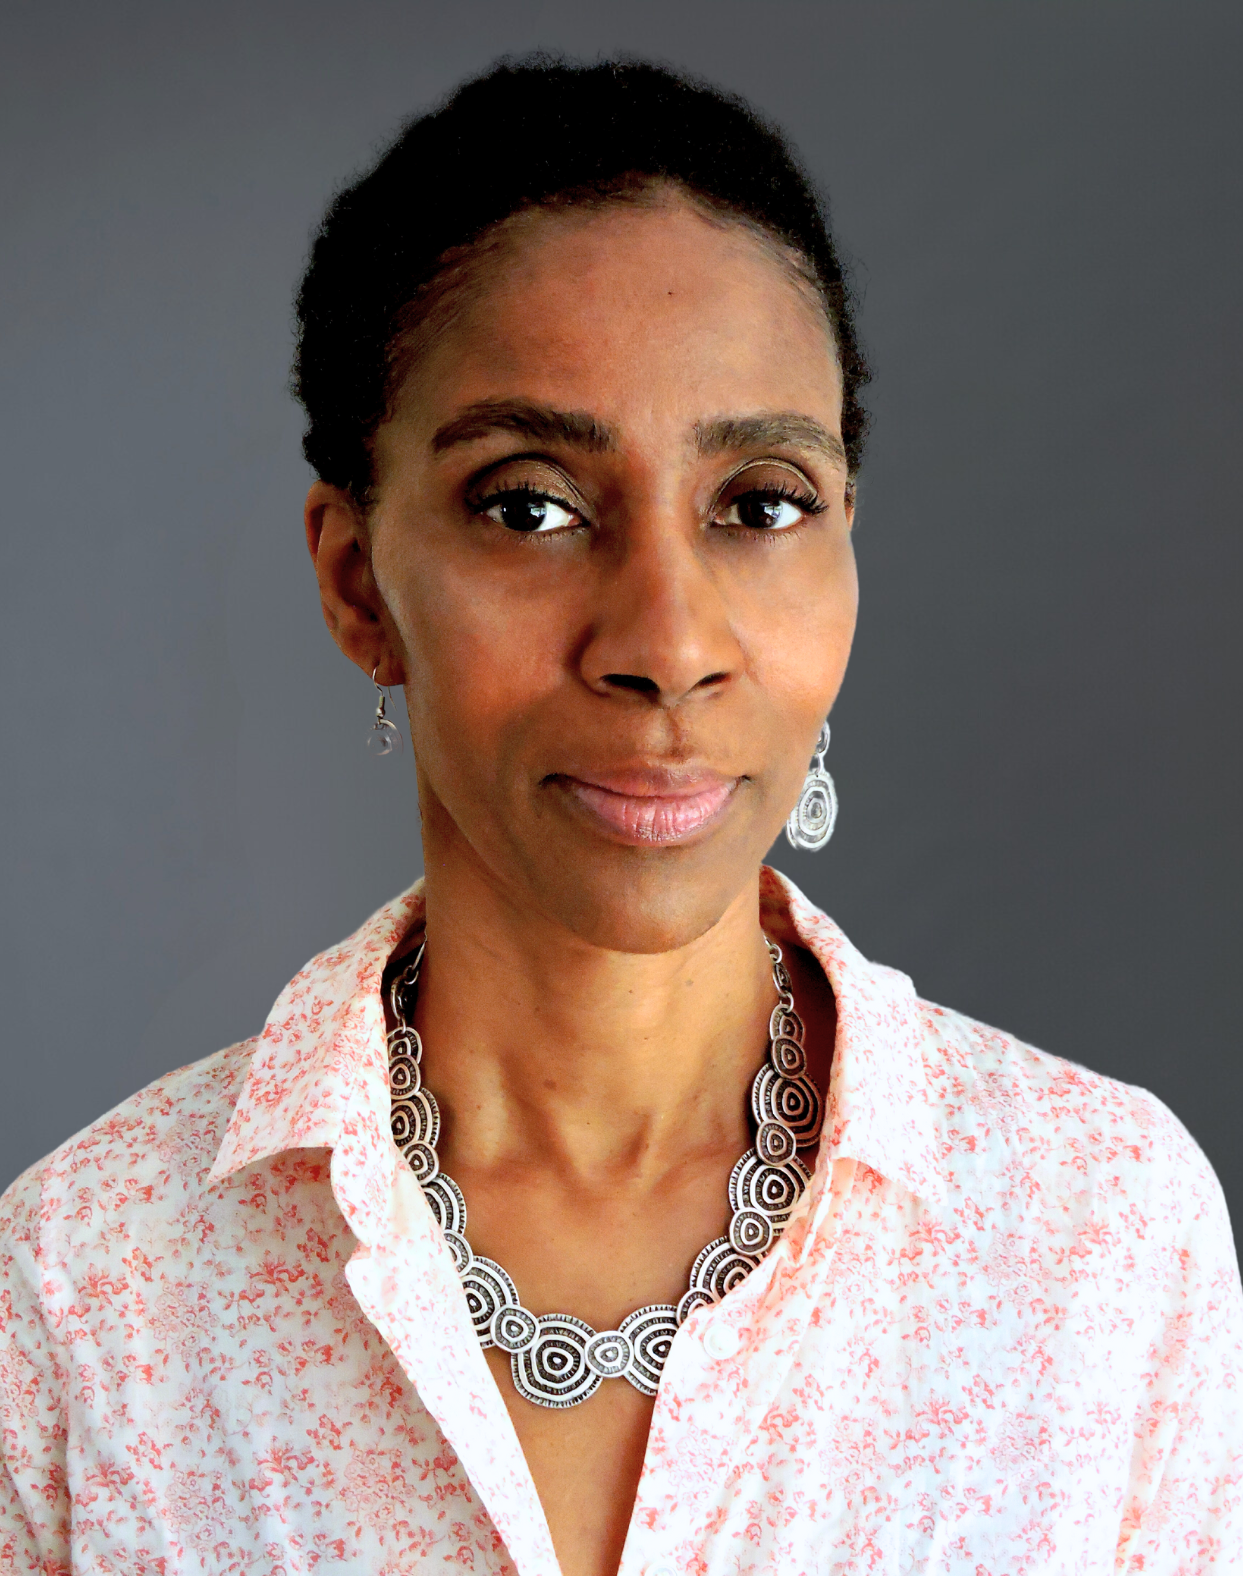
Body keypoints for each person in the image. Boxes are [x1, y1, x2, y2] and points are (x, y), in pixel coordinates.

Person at [1, 54, 1239, 1576]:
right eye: (529, 504)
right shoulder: (87, 1286)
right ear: (354, 581)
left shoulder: (1103, 1237)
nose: (667, 638)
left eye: (760, 503)